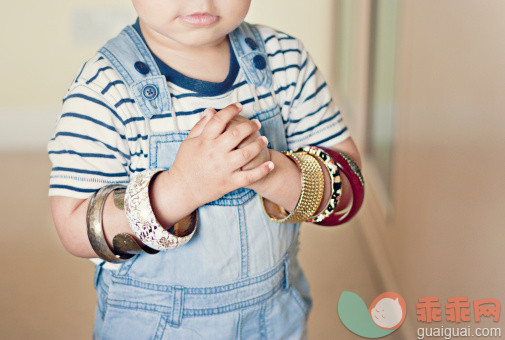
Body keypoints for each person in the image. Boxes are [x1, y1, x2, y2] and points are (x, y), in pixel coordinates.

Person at [47, 0, 362, 338]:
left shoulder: (284, 61)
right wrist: (182, 188)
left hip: (273, 321)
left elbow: (348, 188)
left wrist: (269, 169)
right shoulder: (103, 88)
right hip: (151, 327)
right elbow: (74, 225)